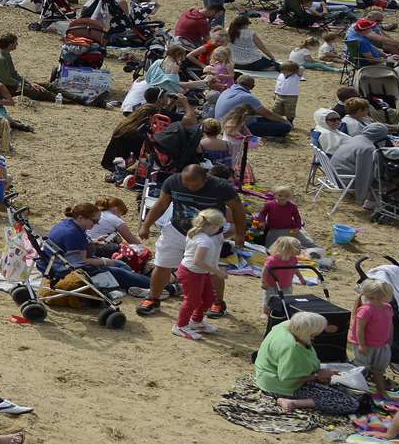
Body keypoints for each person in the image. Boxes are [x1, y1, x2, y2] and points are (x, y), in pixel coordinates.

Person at [134, 161, 246, 318]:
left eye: (195, 185)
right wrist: (146, 225)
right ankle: (153, 298)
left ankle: (218, 302)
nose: (190, 188)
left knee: (210, 268)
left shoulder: (221, 187)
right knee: (162, 264)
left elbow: (238, 209)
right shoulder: (173, 181)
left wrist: (240, 234)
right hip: (176, 229)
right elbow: (161, 204)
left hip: (208, 234)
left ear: (205, 179)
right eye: (187, 184)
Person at [255, 311, 362, 414]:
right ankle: (292, 402)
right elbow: (289, 378)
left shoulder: (287, 326)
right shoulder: (292, 348)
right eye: (314, 334)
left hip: (266, 377)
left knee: (350, 393)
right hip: (279, 387)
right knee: (349, 403)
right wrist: (317, 375)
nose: (315, 336)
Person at [172, 207, 225, 340]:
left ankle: (196, 321)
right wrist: (217, 271)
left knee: (208, 297)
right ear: (212, 226)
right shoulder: (204, 240)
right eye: (219, 226)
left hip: (201, 272)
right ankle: (180, 326)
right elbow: (198, 261)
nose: (219, 229)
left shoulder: (195, 234)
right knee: (192, 300)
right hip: (191, 272)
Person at [351, 277, 395, 399]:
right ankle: (357, 390)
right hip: (367, 344)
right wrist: (362, 344)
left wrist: (389, 338)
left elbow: (390, 324)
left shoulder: (387, 307)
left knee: (379, 369)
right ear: (379, 296)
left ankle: (380, 390)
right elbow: (360, 329)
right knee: (362, 368)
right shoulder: (366, 310)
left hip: (382, 344)